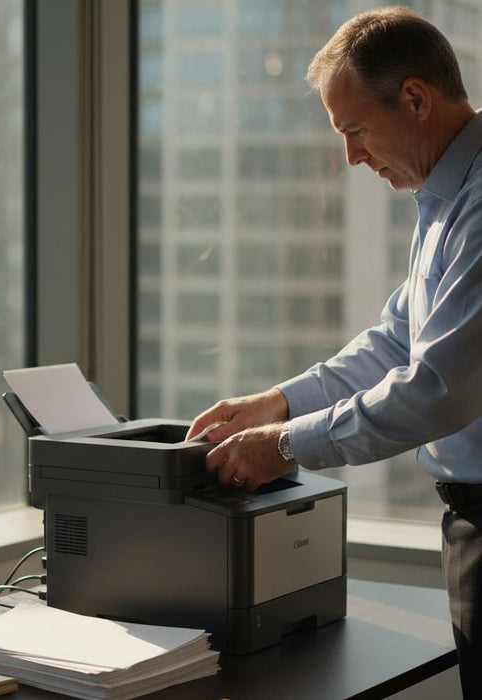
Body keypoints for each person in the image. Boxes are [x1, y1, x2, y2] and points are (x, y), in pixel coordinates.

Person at [185, 5, 482, 697]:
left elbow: (438, 387)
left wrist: (284, 444)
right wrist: (277, 403)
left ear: (415, 97)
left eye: (354, 131)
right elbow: (394, 344)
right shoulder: (446, 198)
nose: (351, 157)